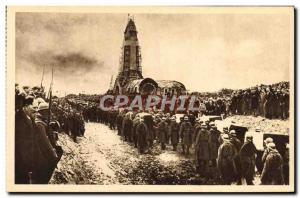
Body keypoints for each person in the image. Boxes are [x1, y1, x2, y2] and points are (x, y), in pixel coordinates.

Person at [33, 102, 62, 183]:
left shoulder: (42, 121)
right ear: (43, 112)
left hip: (41, 149)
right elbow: (45, 142)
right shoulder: (39, 123)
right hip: (39, 151)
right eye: (48, 111)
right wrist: (53, 154)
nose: (50, 113)